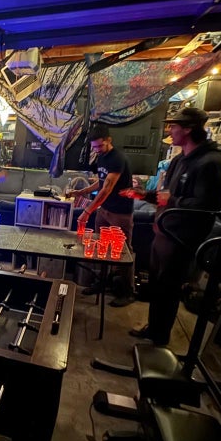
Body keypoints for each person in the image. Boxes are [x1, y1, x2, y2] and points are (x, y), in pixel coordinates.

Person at [122, 106, 221, 346]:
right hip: (163, 233)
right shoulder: (179, 159)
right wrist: (144, 195)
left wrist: (172, 200)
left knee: (169, 289)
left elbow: (208, 205)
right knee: (157, 286)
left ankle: (160, 339)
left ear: (188, 129)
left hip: (181, 239)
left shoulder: (210, 162)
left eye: (174, 126)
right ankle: (154, 328)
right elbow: (165, 195)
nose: (170, 130)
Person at [66, 124, 135, 307]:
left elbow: (106, 189)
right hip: (104, 210)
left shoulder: (117, 158)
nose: (96, 150)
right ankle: (102, 283)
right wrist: (81, 192)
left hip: (120, 212)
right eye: (94, 147)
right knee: (100, 248)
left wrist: (87, 211)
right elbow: (100, 182)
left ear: (108, 140)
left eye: (99, 146)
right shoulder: (102, 157)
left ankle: (127, 292)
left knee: (123, 252)